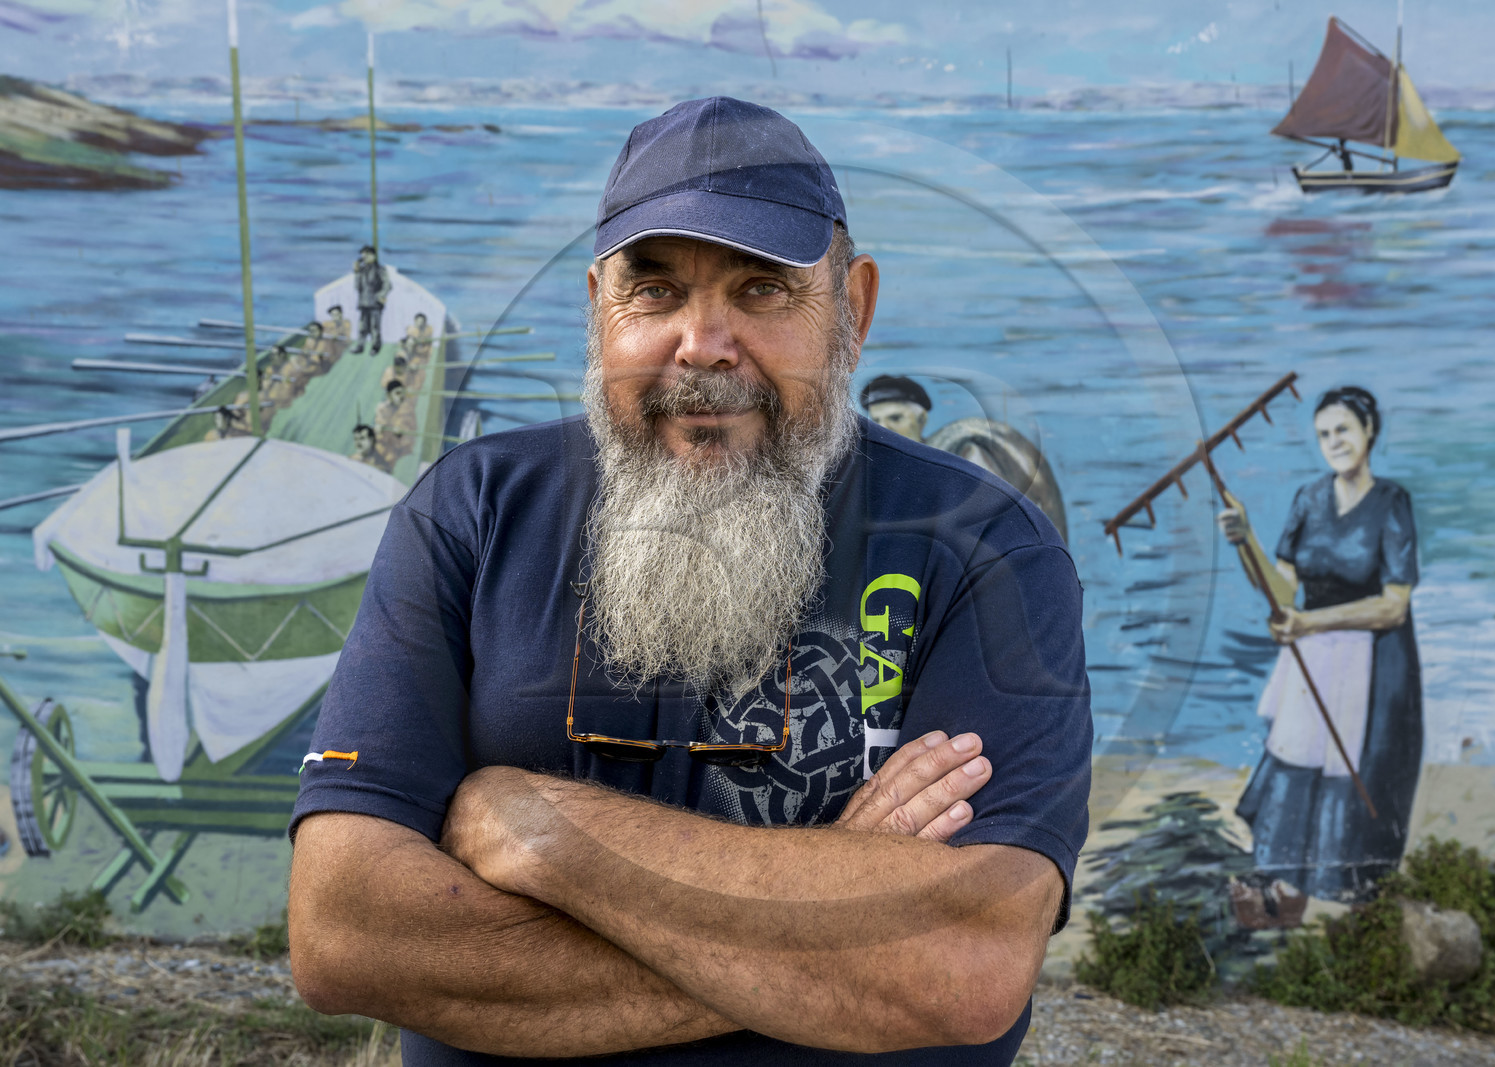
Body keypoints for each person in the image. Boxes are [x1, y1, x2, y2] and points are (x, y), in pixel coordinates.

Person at [289, 97, 1091, 1065]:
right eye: (656, 290)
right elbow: (343, 932)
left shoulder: (987, 551)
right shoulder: (472, 512)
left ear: (854, 309)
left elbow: (964, 961)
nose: (702, 344)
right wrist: (839, 895)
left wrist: (548, 835)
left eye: (759, 290)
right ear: (598, 309)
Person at [1218, 386, 1421, 901]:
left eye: (1344, 430)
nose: (1334, 442)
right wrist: (1247, 542)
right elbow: (1282, 589)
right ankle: (1286, 880)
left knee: (1357, 775)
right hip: (1317, 661)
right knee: (1298, 760)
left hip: (1377, 665)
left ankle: (1349, 887)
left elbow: (1393, 604)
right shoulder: (1309, 499)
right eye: (1324, 434)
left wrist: (1309, 624)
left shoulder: (1392, 503)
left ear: (1369, 430)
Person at [861, 374, 1069, 544]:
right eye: (876, 421)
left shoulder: (964, 453)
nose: (883, 429)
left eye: (896, 418)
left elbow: (990, 529)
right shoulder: (880, 470)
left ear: (921, 419)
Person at [353, 246, 391, 356]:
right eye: (363, 256)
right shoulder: (362, 270)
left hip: (375, 303)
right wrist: (357, 272)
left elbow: (388, 285)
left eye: (366, 255)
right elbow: (357, 287)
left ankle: (376, 347)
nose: (364, 258)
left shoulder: (380, 269)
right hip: (363, 302)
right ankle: (360, 346)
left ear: (373, 255)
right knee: (362, 327)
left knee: (375, 327)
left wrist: (380, 295)